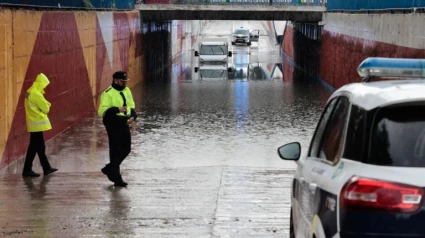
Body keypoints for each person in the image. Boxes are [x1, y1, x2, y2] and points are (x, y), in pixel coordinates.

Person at [98, 71, 137, 187]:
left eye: (125, 81)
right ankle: (117, 178)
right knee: (114, 150)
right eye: (122, 81)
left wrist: (133, 116)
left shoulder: (126, 90)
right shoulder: (107, 93)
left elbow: (131, 105)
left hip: (124, 122)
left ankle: (109, 168)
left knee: (126, 148)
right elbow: (102, 112)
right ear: (115, 80)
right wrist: (117, 109)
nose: (125, 83)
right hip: (113, 124)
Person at [22, 73, 58, 177]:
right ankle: (31, 170)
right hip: (37, 123)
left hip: (33, 122)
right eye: (44, 85)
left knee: (37, 146)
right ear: (40, 83)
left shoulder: (29, 91)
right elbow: (46, 109)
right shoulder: (36, 94)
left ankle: (43, 168)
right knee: (37, 146)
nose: (45, 87)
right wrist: (47, 104)